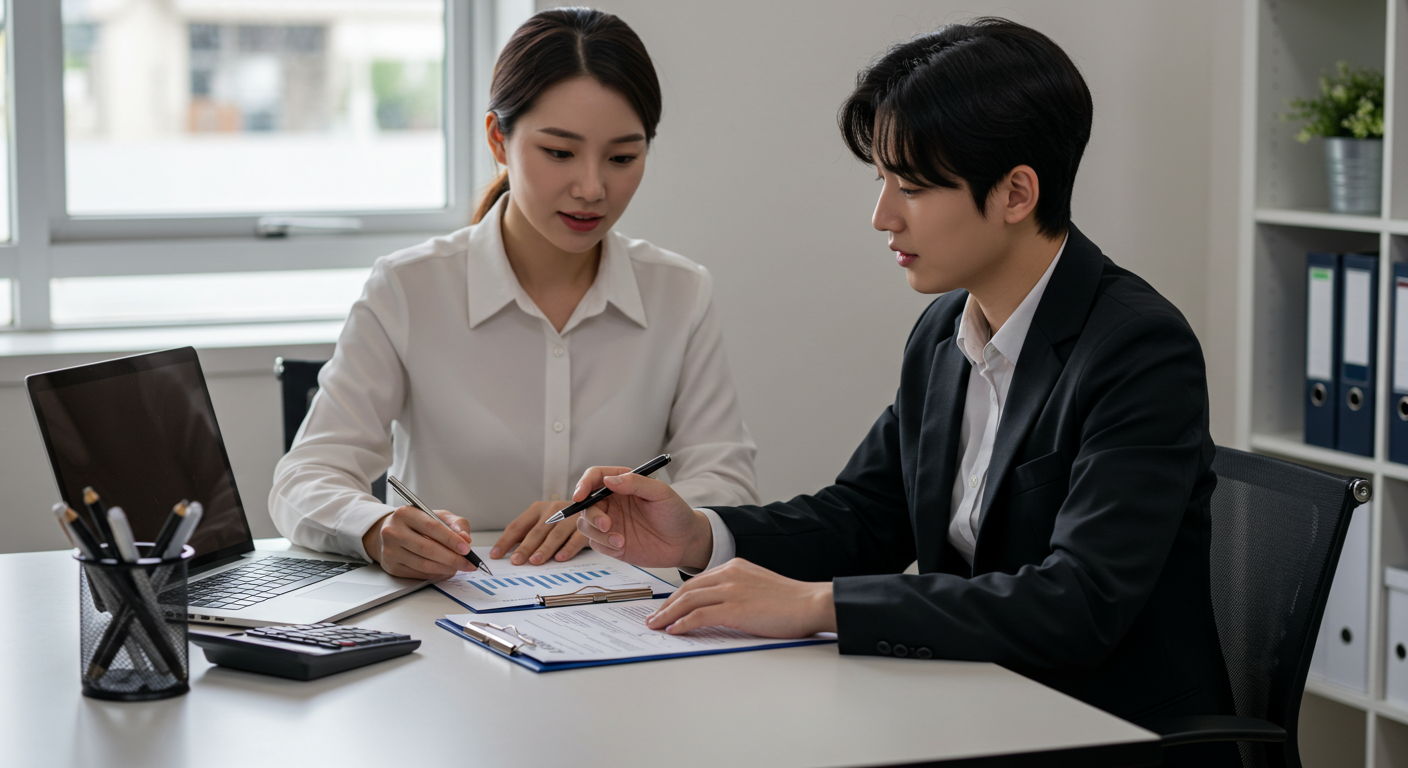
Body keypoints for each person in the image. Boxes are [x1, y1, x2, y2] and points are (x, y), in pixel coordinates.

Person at [565, 17, 1236, 766]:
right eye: (881, 179)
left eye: (911, 186)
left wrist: (818, 605)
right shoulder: (945, 329)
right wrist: (698, 536)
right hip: (971, 709)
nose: (882, 215)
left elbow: (1076, 603)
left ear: (1016, 192)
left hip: (1102, 731)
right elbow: (864, 516)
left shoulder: (1139, 349)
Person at [269, 8, 758, 580]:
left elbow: (728, 484)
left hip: (618, 621)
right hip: (447, 620)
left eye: (623, 157)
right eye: (559, 152)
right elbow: (305, 477)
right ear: (499, 139)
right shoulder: (408, 289)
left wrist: (611, 514)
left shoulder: (680, 293)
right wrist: (377, 529)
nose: (592, 188)